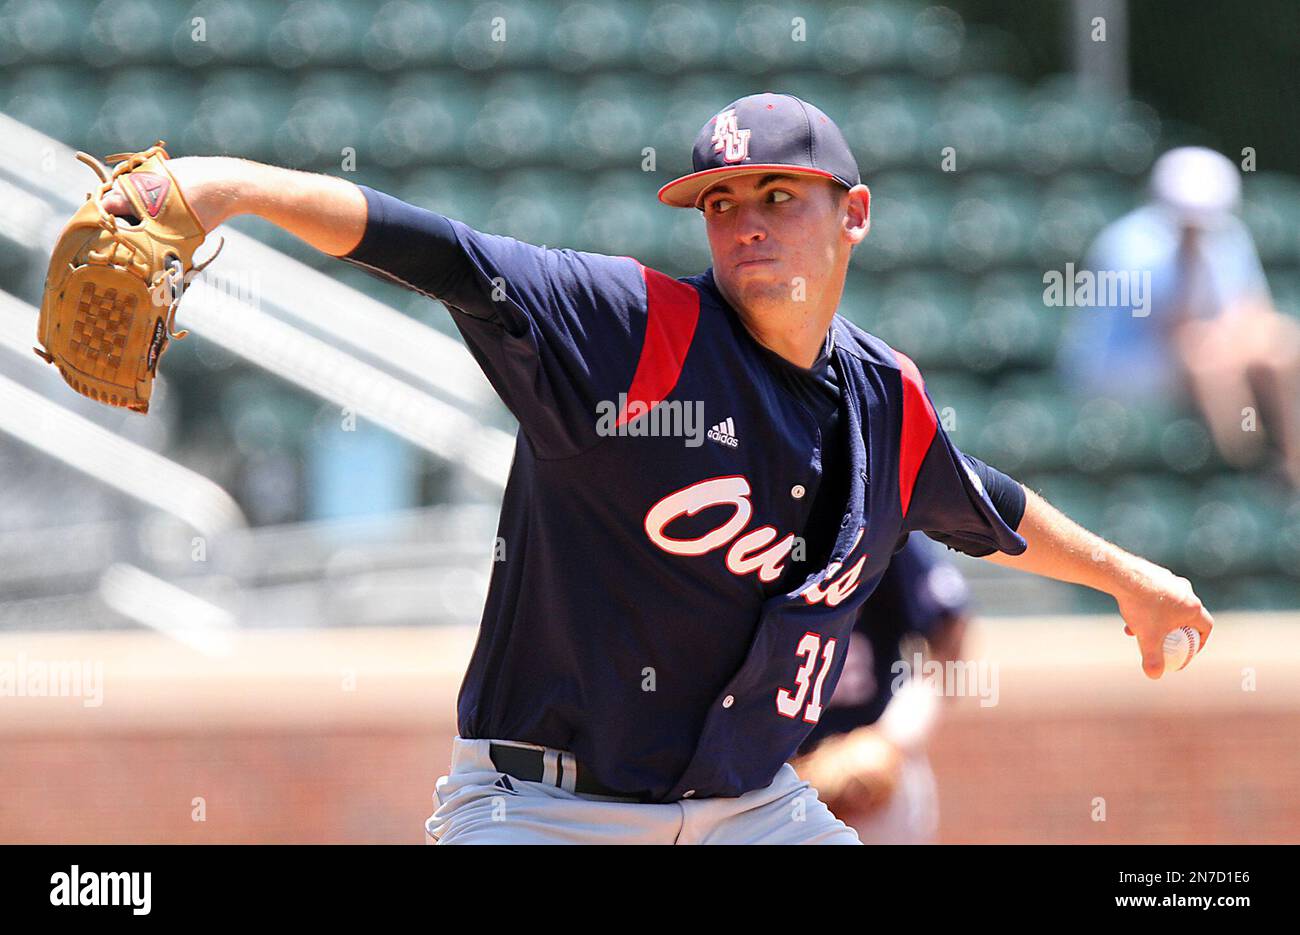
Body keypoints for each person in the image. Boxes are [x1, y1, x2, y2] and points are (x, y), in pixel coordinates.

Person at [101, 92, 1213, 845]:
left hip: (754, 810)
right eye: (722, 203)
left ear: (853, 215)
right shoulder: (631, 328)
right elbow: (437, 249)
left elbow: (986, 500)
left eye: (779, 195)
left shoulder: (884, 398)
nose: (746, 223)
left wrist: (1130, 578)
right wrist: (227, 184)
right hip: (546, 810)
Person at [1059, 146, 1300, 486]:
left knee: (1280, 344)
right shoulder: (1128, 244)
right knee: (1202, 359)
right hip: (1121, 367)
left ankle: (1291, 468)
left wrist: (1229, 341)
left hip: (1199, 349)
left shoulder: (1228, 235)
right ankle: (1243, 470)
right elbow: (1168, 329)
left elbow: (1251, 310)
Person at [790, 532, 972, 844]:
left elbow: (949, 630)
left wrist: (891, 739)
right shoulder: (739, 513)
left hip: (875, 772)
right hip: (768, 776)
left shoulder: (871, 506)